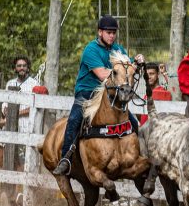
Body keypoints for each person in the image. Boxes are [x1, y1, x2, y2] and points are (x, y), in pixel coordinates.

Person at [53, 15, 144, 176]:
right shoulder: (91, 50)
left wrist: (136, 62)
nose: (112, 36)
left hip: (109, 94)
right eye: (108, 32)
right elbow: (102, 74)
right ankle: (65, 158)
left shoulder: (118, 50)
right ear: (100, 32)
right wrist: (122, 70)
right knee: (75, 118)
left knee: (132, 122)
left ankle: (141, 153)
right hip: (88, 91)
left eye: (114, 32)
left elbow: (128, 68)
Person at [3, 55, 39, 134]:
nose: (22, 68)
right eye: (19, 66)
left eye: (24, 66)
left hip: (28, 125)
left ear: (28, 68)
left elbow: (34, 107)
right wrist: (6, 111)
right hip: (10, 125)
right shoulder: (10, 83)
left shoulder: (34, 84)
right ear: (15, 68)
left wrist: (15, 113)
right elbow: (5, 103)